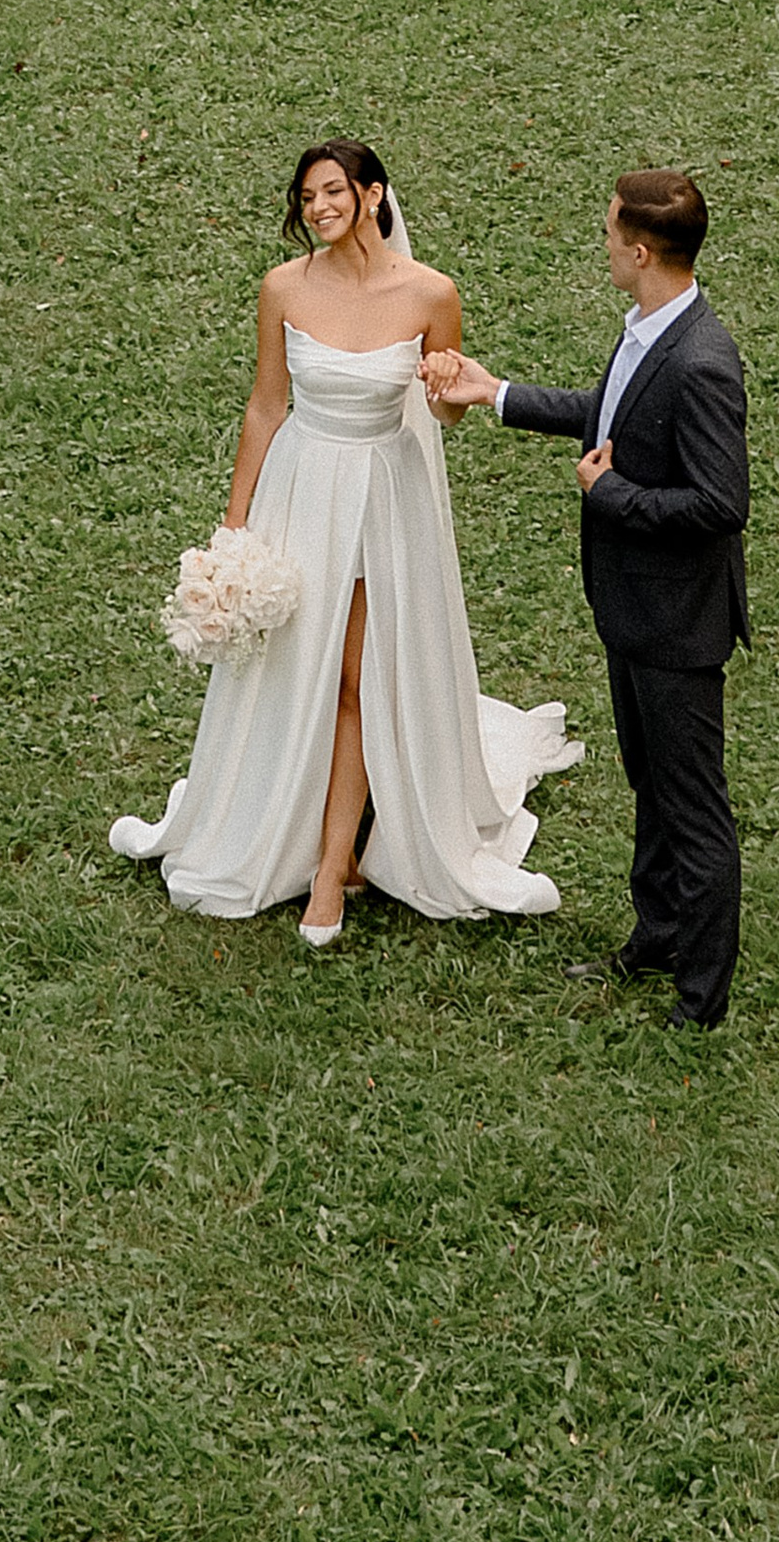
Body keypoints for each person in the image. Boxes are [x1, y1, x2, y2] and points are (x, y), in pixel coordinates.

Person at [109, 139, 581, 946]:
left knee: (359, 677)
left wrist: (448, 393)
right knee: (302, 670)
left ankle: (335, 870)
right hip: (302, 489)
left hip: (384, 496)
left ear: (371, 195)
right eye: (307, 198)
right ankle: (287, 825)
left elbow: (445, 411)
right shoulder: (283, 288)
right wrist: (235, 523)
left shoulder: (431, 293)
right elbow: (265, 406)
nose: (319, 209)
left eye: (333, 192)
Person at [428, 170, 747, 1028]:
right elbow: (606, 413)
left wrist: (609, 499)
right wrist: (491, 393)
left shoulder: (703, 362)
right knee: (650, 780)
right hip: (634, 610)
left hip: (678, 624)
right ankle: (659, 934)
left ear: (640, 252)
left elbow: (722, 504)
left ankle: (701, 995)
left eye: (611, 233)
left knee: (693, 804)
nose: (603, 242)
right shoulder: (651, 326)